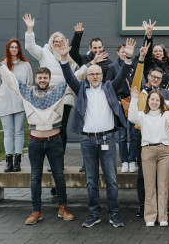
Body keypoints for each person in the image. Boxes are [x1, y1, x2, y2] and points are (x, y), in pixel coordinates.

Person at [0, 46, 74, 225]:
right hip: (35, 143)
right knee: (35, 177)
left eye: (45, 77)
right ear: (36, 79)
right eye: (39, 77)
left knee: (59, 177)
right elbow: (10, 79)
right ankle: (36, 211)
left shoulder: (59, 90)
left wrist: (89, 64)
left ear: (49, 79)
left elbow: (74, 78)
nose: (42, 80)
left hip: (55, 141)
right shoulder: (27, 92)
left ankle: (63, 208)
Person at [61, 38, 136, 228]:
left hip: (107, 139)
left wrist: (128, 57)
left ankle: (114, 214)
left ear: (102, 75)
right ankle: (94, 214)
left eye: (97, 74)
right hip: (87, 141)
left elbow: (124, 74)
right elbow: (70, 77)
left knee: (111, 180)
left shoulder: (109, 87)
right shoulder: (81, 89)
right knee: (91, 181)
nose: (95, 76)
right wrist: (63, 59)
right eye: (91, 74)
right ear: (87, 76)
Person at [23, 14, 79, 163]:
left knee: (62, 129)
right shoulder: (44, 52)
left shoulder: (70, 58)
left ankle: (59, 159)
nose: (58, 43)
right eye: (55, 41)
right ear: (51, 42)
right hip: (48, 98)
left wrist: (70, 91)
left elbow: (75, 77)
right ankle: (48, 158)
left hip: (65, 98)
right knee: (49, 129)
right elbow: (30, 47)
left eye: (60, 41)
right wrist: (30, 29)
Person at [129, 43, 169, 217]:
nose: (155, 79)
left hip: (161, 136)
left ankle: (161, 206)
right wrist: (141, 59)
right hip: (143, 135)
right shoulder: (140, 91)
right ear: (148, 76)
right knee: (143, 174)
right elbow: (136, 74)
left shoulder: (165, 95)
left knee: (161, 176)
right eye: (153, 76)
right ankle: (143, 204)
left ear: (161, 80)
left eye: (158, 77)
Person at [128, 85, 169, 227]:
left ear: (161, 102)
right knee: (149, 186)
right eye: (152, 99)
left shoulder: (166, 115)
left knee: (162, 185)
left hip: (164, 151)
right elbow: (132, 117)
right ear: (148, 101)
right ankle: (150, 216)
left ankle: (162, 217)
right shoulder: (142, 115)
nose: (154, 102)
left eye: (157, 100)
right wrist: (134, 99)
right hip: (148, 150)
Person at [0, 39, 32, 172]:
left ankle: (18, 161)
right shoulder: (1, 65)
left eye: (16, 47)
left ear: (19, 49)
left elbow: (29, 83)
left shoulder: (26, 65)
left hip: (20, 103)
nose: (14, 49)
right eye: (12, 47)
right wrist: (7, 94)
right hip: (5, 103)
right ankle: (8, 161)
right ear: (8, 49)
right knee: (8, 133)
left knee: (19, 132)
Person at [107, 42, 139, 173]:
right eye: (122, 51)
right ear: (118, 52)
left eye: (127, 51)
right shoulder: (112, 67)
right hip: (120, 103)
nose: (124, 53)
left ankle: (132, 160)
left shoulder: (134, 66)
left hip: (133, 102)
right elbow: (108, 87)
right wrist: (116, 101)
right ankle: (124, 161)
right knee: (121, 135)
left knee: (134, 134)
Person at [142, 19, 169, 90]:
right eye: (155, 51)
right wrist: (148, 35)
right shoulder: (149, 64)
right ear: (152, 54)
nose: (158, 53)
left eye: (160, 51)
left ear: (164, 54)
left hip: (166, 95)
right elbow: (147, 51)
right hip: (152, 94)